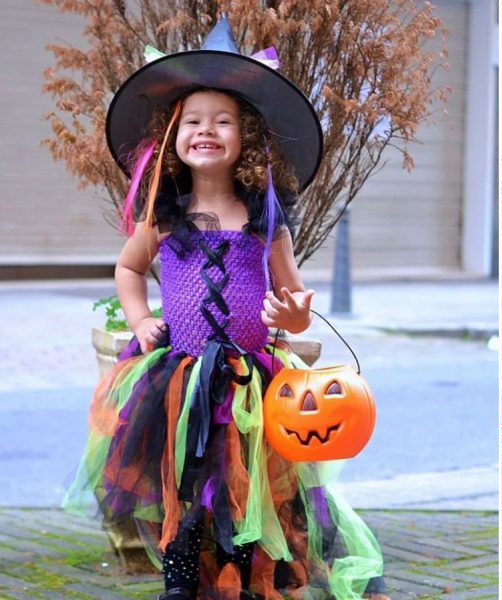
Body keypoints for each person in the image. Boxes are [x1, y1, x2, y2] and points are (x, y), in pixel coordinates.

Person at [61, 17, 387, 600]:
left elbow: (295, 299)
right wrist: (139, 319)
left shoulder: (267, 223)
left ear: (249, 137)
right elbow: (129, 270)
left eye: (223, 120)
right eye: (192, 121)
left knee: (248, 490)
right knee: (180, 487)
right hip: (178, 379)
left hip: (250, 382)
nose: (205, 130)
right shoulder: (164, 218)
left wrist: (291, 321)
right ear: (171, 137)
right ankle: (179, 583)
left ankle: (241, 575)